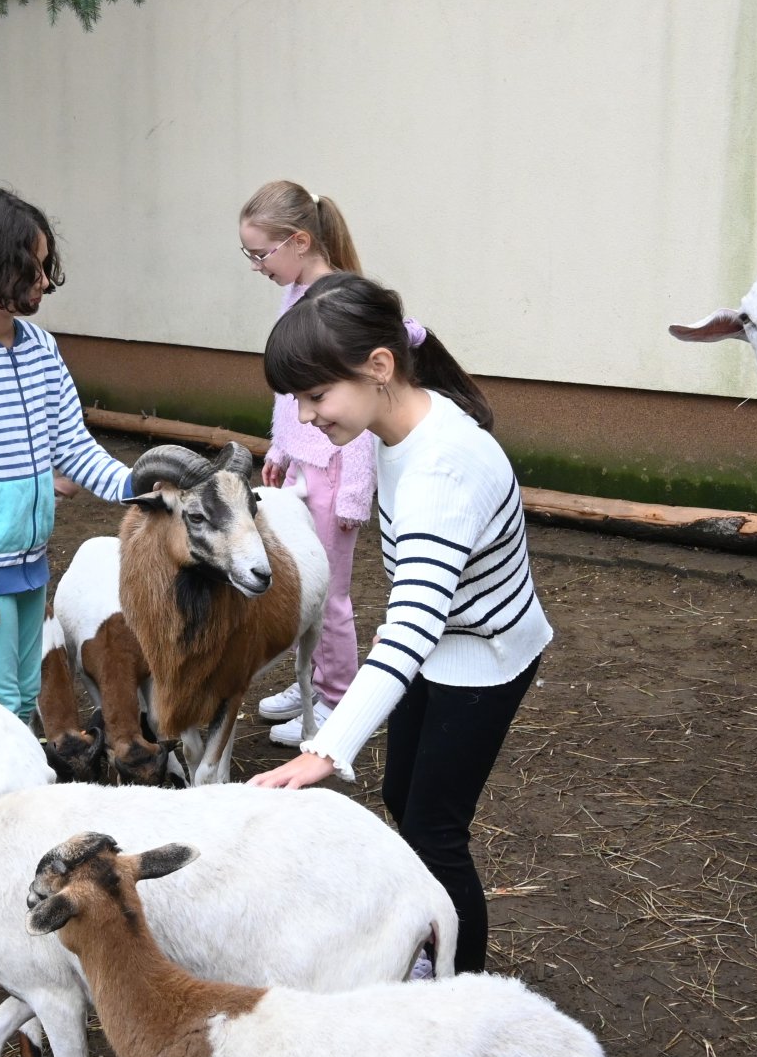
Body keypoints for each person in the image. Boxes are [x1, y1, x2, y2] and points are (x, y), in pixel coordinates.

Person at [249, 273, 552, 978]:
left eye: (315, 395)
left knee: (434, 833)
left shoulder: (440, 472)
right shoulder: (401, 424)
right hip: (446, 643)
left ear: (380, 366)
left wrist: (325, 749)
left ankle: (462, 991)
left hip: (484, 657)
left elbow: (410, 628)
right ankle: (429, 947)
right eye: (297, 399)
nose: (305, 416)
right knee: (400, 795)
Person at [0, 185, 134, 723]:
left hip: (30, 563)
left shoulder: (41, 348)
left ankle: (16, 776)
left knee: (27, 689)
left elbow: (73, 446)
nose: (44, 280)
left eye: (44, 265)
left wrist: (138, 485)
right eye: (31, 268)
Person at [237, 181, 375, 746]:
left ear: (298, 241)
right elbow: (291, 390)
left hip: (335, 472)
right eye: (248, 254)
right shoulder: (295, 293)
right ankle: (311, 682)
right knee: (301, 581)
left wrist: (354, 491)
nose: (256, 266)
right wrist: (281, 449)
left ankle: (339, 700)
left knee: (329, 594)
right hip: (303, 466)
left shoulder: (337, 304)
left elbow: (360, 405)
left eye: (260, 253)